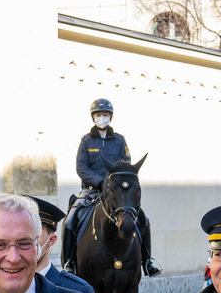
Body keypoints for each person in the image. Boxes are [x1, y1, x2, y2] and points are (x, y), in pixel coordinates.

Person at [60, 99, 161, 277]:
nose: (102, 118)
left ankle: (147, 261)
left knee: (143, 219)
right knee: (70, 220)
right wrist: (101, 182)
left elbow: (126, 164)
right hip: (92, 190)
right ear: (93, 117)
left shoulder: (119, 140)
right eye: (99, 115)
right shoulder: (86, 141)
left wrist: (114, 183)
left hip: (117, 192)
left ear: (110, 117)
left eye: (105, 115)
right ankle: (68, 262)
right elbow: (81, 167)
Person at [27, 196, 94, 293]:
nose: (27, 241)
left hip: (102, 194)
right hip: (89, 190)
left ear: (51, 239)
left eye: (37, 233)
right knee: (71, 219)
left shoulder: (77, 290)